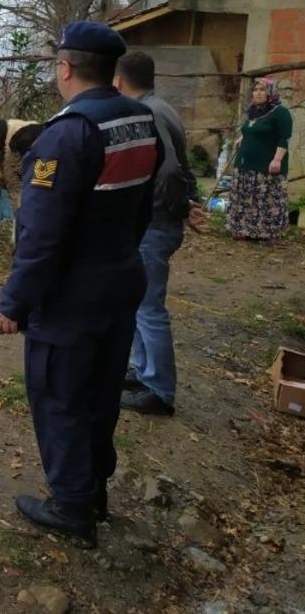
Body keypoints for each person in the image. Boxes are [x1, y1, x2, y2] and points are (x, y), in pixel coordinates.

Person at [0, 22, 162, 549]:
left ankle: (71, 507)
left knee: (59, 393)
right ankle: (95, 490)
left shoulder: (64, 134)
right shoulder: (139, 118)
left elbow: (40, 235)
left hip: (72, 296)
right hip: (121, 278)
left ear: (64, 68)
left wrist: (12, 304)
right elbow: (143, 206)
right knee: (101, 392)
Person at [114, 51, 205, 416]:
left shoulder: (147, 114)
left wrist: (176, 207)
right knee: (138, 300)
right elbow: (184, 166)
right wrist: (189, 201)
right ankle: (141, 369)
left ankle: (159, 390)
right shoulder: (162, 107)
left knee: (150, 306)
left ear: (120, 81)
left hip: (155, 223)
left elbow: (168, 173)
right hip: (159, 221)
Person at [227, 78, 293, 242]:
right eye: (255, 90)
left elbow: (284, 138)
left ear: (271, 93)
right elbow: (253, 128)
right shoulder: (253, 110)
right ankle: (243, 229)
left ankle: (268, 233)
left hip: (266, 166)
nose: (258, 93)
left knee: (267, 200)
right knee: (245, 197)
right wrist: (243, 137)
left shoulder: (280, 112)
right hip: (245, 164)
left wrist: (277, 160)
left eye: (262, 90)